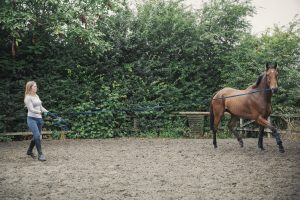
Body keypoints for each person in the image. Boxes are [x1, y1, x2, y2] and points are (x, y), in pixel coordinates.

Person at [24, 81, 48, 161]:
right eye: (35, 86)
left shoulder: (36, 95)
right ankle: (40, 154)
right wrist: (39, 112)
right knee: (37, 135)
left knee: (36, 136)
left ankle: (29, 151)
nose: (36, 87)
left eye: (36, 86)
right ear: (30, 87)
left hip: (39, 119)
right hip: (31, 119)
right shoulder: (28, 97)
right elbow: (31, 109)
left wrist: (47, 112)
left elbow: (41, 107)